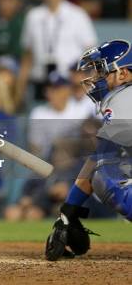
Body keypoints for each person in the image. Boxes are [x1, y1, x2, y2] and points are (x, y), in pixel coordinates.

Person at [45, 39, 132, 261]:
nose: (96, 79)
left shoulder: (123, 98)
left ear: (123, 74)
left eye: (103, 71)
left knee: (107, 177)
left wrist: (69, 211)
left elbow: (101, 161)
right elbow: (97, 159)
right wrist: (68, 213)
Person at [16, 0, 97, 105]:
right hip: (40, 79)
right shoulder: (33, 16)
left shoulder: (77, 15)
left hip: (68, 80)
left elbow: (91, 53)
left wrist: (87, 84)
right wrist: (20, 88)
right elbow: (27, 55)